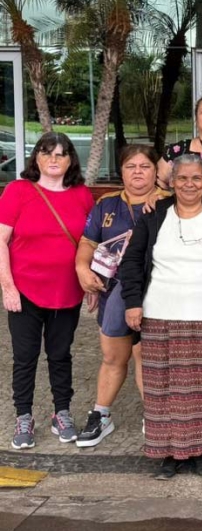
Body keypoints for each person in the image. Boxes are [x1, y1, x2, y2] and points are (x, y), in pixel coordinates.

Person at [121, 154, 202, 479]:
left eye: (196, 178)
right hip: (160, 317)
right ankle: (168, 454)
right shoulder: (154, 215)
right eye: (182, 178)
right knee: (163, 389)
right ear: (172, 182)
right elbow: (132, 261)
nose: (189, 184)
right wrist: (132, 302)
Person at [0, 132, 94, 449]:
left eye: (60, 153)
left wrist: (91, 281)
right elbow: (1, 241)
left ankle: (61, 412)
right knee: (25, 357)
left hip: (67, 291)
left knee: (60, 355)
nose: (53, 159)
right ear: (36, 158)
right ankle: (23, 416)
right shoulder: (18, 191)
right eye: (46, 152)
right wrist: (7, 286)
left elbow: (91, 243)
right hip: (25, 290)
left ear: (70, 160)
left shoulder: (82, 195)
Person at [74, 145, 166, 447]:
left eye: (145, 166)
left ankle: (154, 416)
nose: (138, 172)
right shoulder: (107, 203)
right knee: (113, 356)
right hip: (114, 289)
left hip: (155, 290)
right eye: (130, 166)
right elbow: (88, 242)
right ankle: (101, 415)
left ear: (156, 171)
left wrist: (164, 194)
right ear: (121, 171)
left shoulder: (168, 202)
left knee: (145, 355)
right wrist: (82, 268)